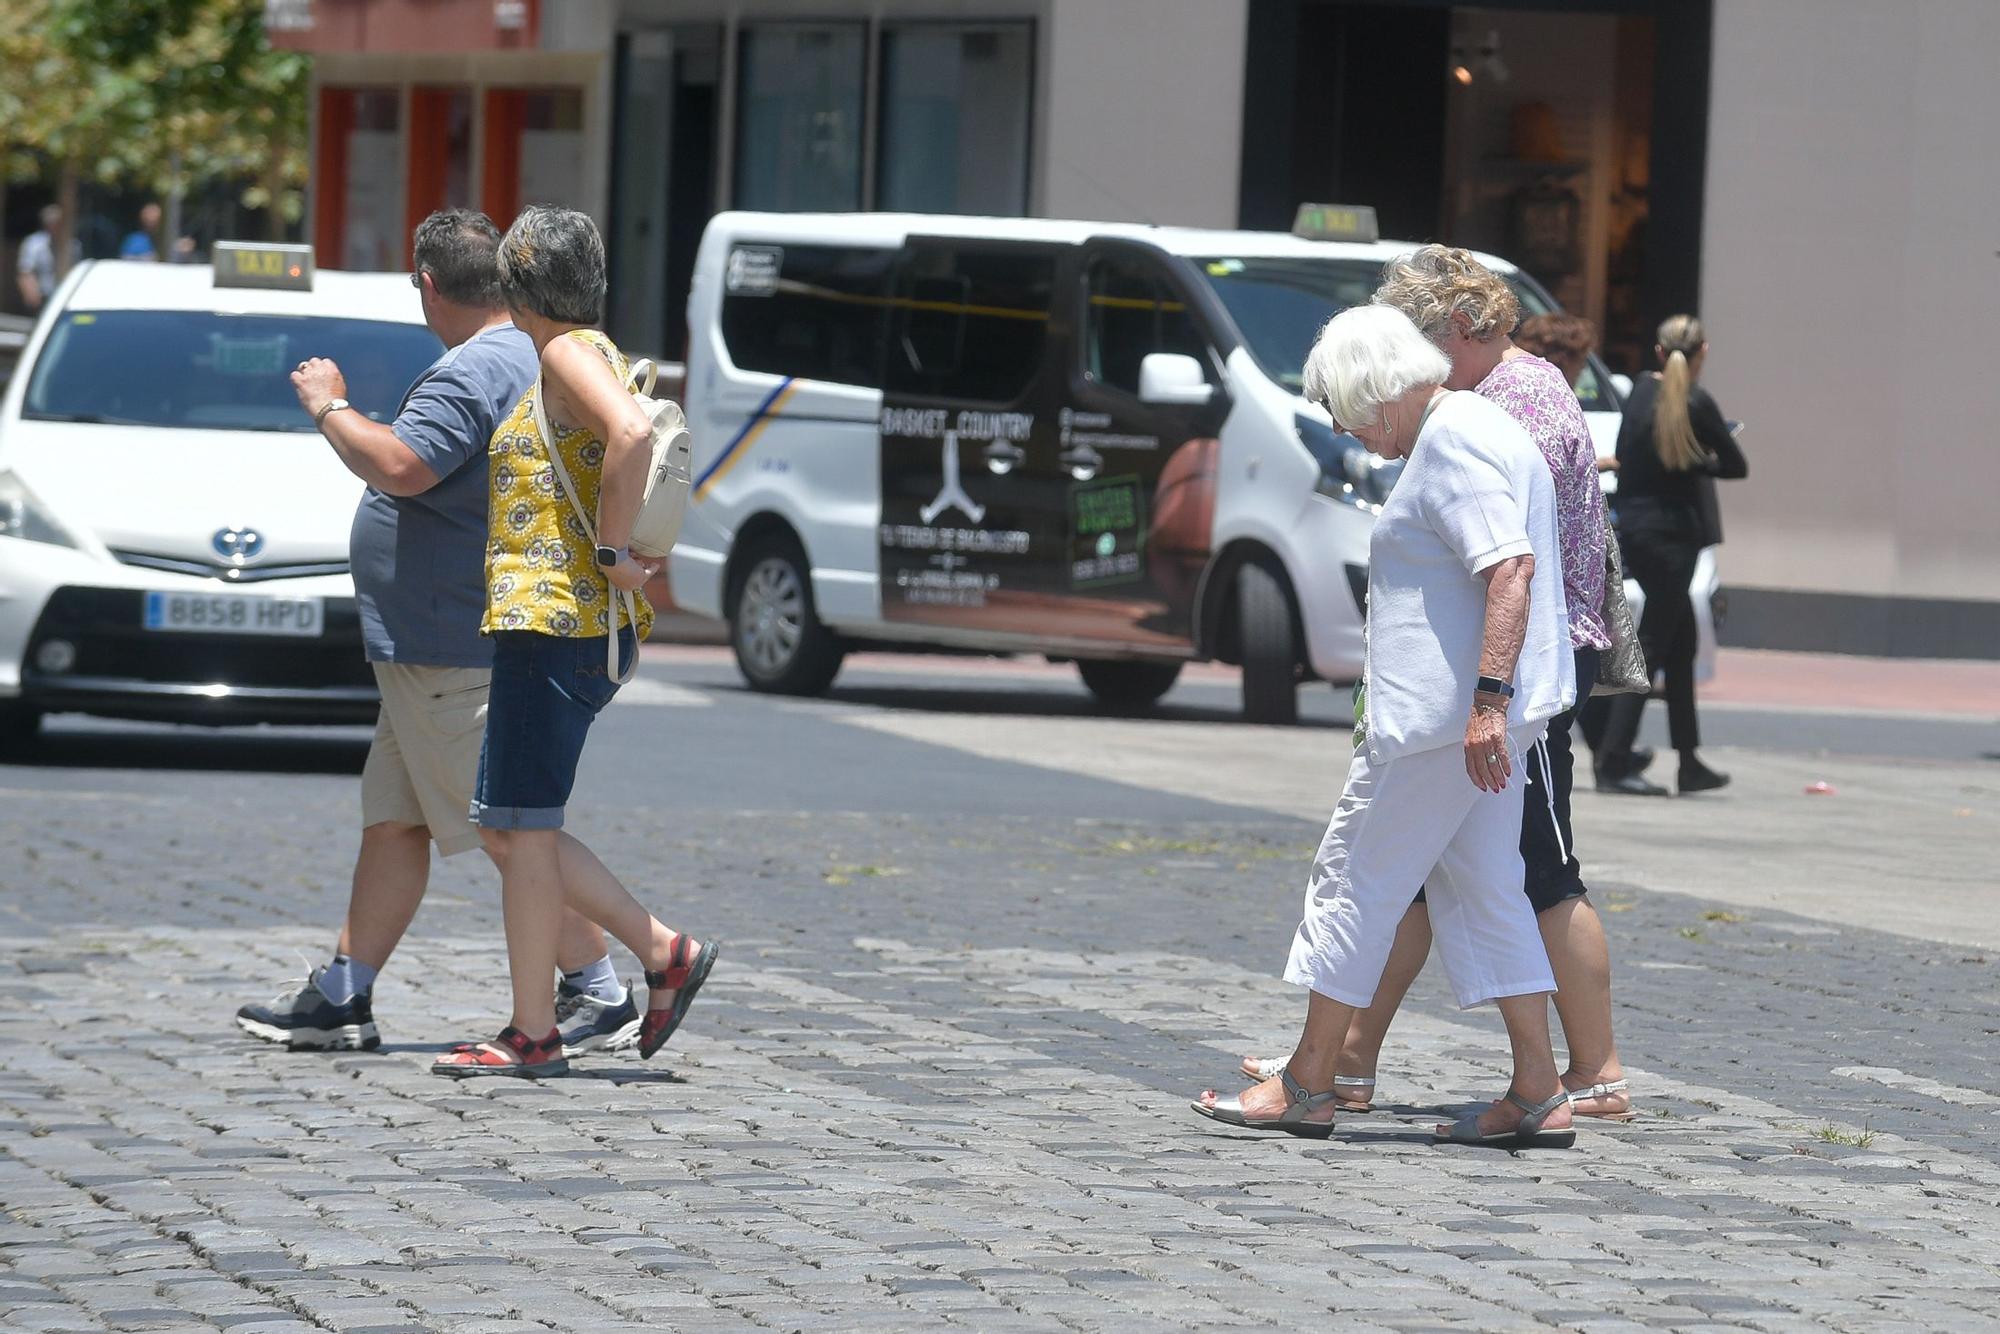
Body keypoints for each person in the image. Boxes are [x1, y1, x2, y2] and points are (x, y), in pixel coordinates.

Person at [1233, 247, 1633, 1122]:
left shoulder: (1455, 437)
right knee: (1490, 890)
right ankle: (1538, 1086)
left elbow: (1512, 568)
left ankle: (1308, 1081)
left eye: (1347, 415)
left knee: (1353, 881)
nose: (1350, 435)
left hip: (1440, 726)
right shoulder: (1478, 423)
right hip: (1471, 722)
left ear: (1381, 389)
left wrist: (1487, 704)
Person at [238, 210, 638, 1058]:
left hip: (449, 649)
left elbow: (401, 466)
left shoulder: (478, 367)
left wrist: (330, 405)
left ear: (426, 284)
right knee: (395, 819)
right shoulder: (518, 354)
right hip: (431, 645)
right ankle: (344, 992)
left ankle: (607, 980)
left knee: (513, 830)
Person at [431, 205, 718, 1079]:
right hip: (561, 623)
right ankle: (647, 960)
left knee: (520, 825)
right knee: (519, 826)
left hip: (554, 618)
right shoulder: (588, 349)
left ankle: (539, 1029)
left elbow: (630, 439)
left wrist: (611, 550)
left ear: (520, 285)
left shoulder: (562, 351)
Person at [1594, 314, 1747, 796]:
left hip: (1638, 528)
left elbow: (1626, 453)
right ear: (1702, 353)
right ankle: (1613, 760)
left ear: (1658, 353)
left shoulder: (1640, 392)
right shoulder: (1696, 403)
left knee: (1678, 646)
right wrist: (1695, 456)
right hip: (1676, 537)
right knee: (1654, 644)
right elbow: (1736, 466)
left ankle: (1688, 761)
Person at [1513, 312, 1650, 779]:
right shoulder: (1543, 395)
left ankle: (1612, 755)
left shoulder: (1533, 393)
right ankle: (1613, 757)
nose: (1577, 373)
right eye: (1577, 362)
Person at [16, 204, 76, 314]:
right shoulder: (33, 244)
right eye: (52, 224)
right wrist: (31, 294)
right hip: (42, 296)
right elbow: (25, 272)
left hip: (64, 296)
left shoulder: (73, 245)